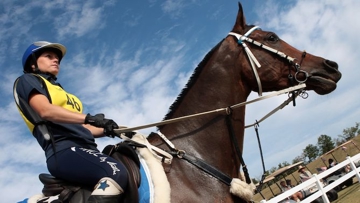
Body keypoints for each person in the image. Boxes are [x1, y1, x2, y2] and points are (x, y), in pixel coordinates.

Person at [14, 41, 128, 202]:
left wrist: (113, 130)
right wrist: (90, 118)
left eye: (57, 59)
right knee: (116, 172)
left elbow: (84, 128)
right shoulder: (28, 80)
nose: (56, 61)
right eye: (49, 56)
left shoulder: (63, 92)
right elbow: (45, 110)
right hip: (64, 150)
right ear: (32, 64)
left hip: (88, 150)